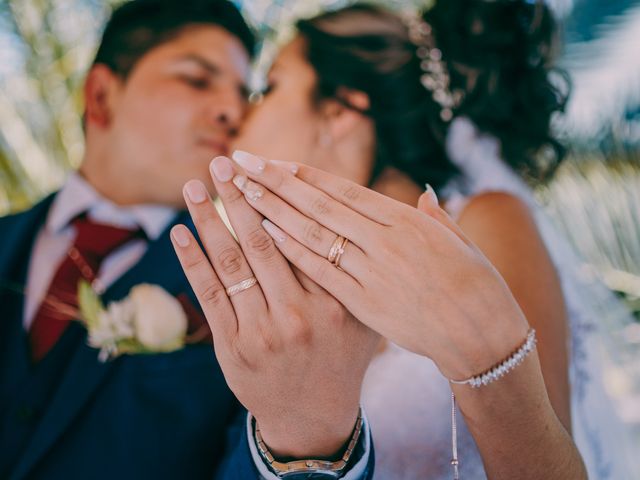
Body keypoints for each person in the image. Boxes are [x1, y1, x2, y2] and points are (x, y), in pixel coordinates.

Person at [183, 1, 631, 478]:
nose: (237, 117)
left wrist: (489, 361)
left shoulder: (483, 227)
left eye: (267, 87)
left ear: (340, 111)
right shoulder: (286, 286)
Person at [0, 1, 375, 479]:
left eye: (245, 93)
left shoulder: (262, 284)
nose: (232, 110)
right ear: (100, 96)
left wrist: (306, 438)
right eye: (197, 80)